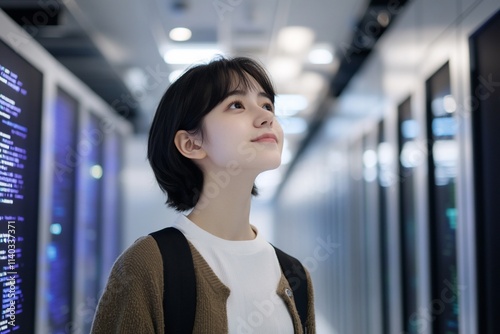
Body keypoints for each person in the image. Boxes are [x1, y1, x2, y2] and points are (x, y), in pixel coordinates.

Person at [90, 56, 316, 333]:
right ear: (191, 143)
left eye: (267, 104)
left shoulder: (295, 276)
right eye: (236, 105)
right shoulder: (149, 265)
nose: (267, 116)